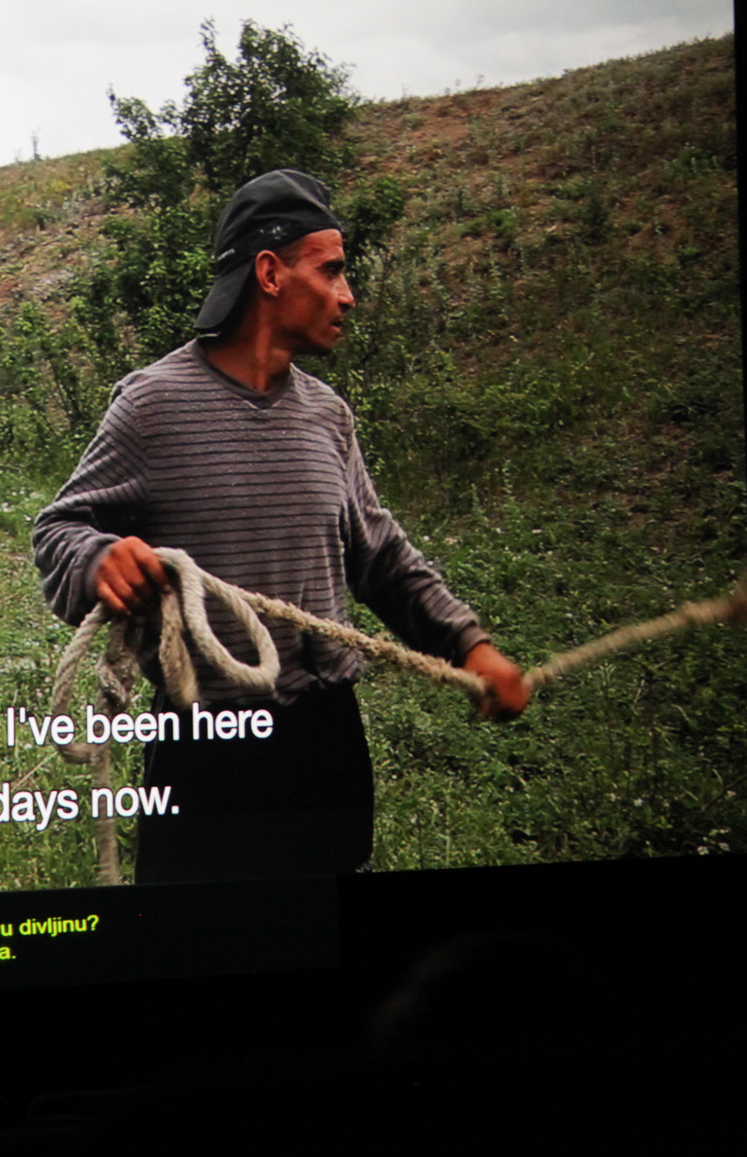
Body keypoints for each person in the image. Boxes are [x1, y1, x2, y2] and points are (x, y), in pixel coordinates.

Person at [31, 169, 527, 882]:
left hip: (326, 739)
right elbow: (60, 528)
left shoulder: (328, 415)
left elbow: (380, 555)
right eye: (331, 271)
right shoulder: (151, 406)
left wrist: (470, 646)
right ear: (269, 272)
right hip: (207, 743)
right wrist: (97, 557)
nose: (347, 294)